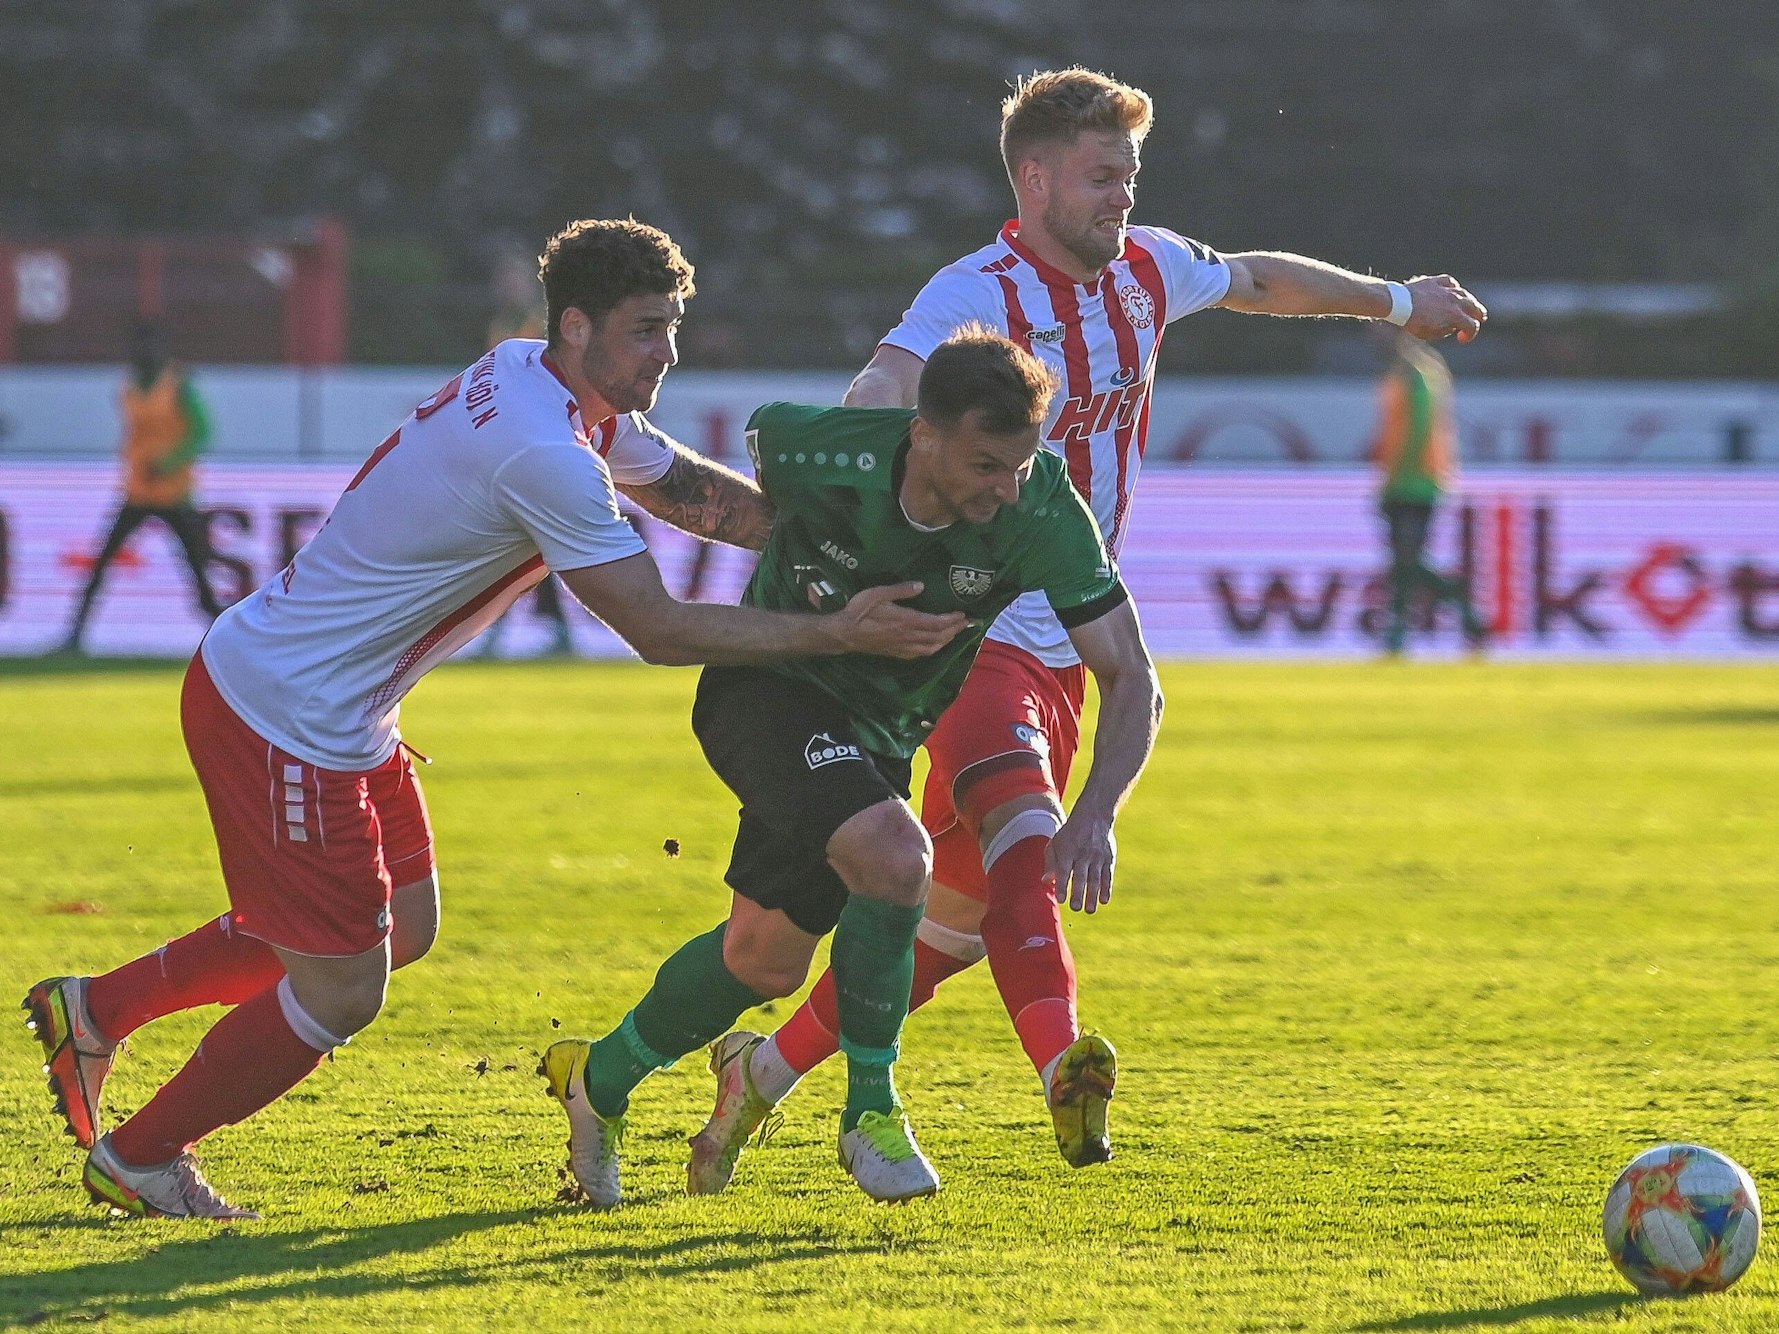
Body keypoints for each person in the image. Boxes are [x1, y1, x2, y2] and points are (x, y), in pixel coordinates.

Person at [22, 218, 964, 1220]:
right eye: (647, 329)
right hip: (285, 716)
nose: (668, 352)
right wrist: (840, 629)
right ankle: (144, 1154)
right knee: (345, 986)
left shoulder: (543, 380)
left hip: (330, 703)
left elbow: (700, 498)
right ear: (577, 324)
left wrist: (852, 535)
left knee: (402, 926)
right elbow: (656, 624)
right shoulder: (540, 449)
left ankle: (102, 1005)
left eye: (672, 327)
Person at [689, 67, 1490, 1185]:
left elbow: (1260, 279)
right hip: (972, 627)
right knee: (1030, 841)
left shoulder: (1148, 269)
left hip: (1074, 629)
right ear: (1034, 176)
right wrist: (837, 497)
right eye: (1102, 175)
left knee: (951, 925)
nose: (1122, 195)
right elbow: (884, 383)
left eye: (1130, 174)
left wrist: (1399, 302)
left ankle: (761, 1072)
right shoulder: (974, 292)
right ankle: (1067, 1067)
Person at [542, 326, 1162, 1205]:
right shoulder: (818, 449)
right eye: (987, 464)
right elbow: (737, 469)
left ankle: (596, 1082)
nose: (1007, 486)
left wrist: (1096, 811)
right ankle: (870, 1111)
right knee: (897, 857)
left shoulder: (1040, 508)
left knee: (762, 961)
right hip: (767, 688)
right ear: (923, 434)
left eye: (1020, 462)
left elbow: (1130, 676)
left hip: (878, 733)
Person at [59, 322, 225, 653]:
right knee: (102, 563)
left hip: (175, 494)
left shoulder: (180, 386)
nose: (142, 355)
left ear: (162, 350)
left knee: (198, 575)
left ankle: (225, 638)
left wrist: (167, 463)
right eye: (137, 349)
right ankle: (74, 636)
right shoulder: (128, 388)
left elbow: (203, 432)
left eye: (148, 348)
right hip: (137, 492)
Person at [1372, 331, 1488, 654]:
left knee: (1406, 559)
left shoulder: (1415, 376)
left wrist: (1395, 475)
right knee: (1403, 561)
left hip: (1415, 481)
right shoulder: (1420, 372)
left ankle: (1465, 607)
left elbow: (1417, 430)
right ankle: (1398, 633)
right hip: (1415, 479)